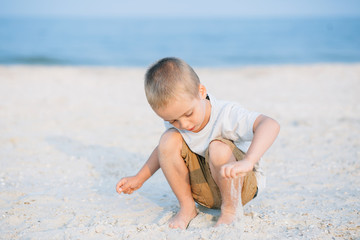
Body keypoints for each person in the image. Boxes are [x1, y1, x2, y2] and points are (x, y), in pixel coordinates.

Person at [116, 57, 280, 229]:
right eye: (172, 120)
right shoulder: (178, 119)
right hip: (205, 193)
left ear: (201, 91)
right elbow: (162, 152)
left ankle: (231, 212)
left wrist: (249, 161)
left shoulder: (226, 114)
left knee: (217, 148)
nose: (184, 125)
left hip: (239, 187)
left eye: (188, 114)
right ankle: (187, 208)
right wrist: (139, 178)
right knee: (168, 139)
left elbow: (270, 124)